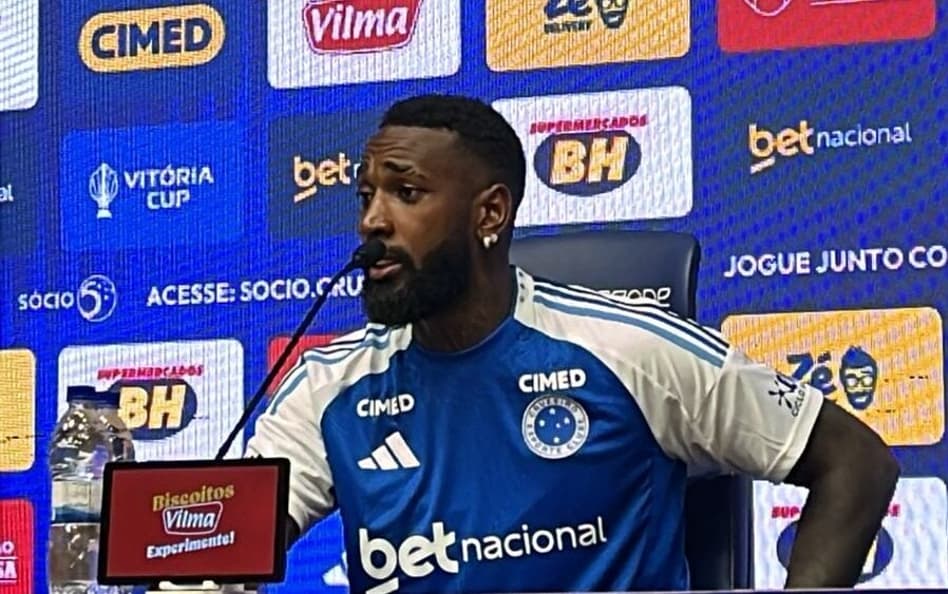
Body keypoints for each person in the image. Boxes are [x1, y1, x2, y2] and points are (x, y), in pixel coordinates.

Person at [245, 94, 899, 592]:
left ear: (490, 214)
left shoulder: (628, 349)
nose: (372, 221)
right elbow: (225, 543)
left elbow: (857, 464)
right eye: (366, 195)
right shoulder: (328, 388)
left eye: (406, 193)